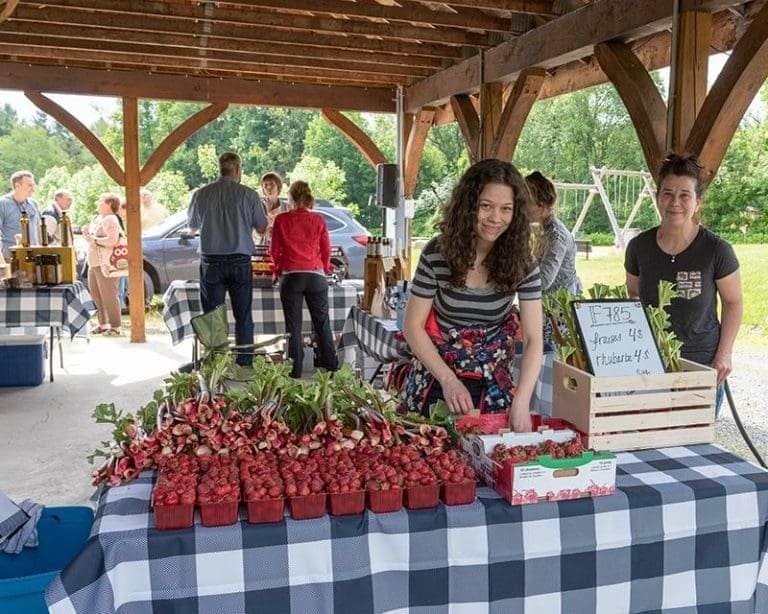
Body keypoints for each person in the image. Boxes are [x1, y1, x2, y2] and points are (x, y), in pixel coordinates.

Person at [402, 159, 543, 431]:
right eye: (486, 206)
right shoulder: (436, 254)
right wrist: (448, 380)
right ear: (469, 206)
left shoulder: (523, 262)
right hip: (436, 376)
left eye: (506, 209)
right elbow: (412, 326)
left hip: (494, 385)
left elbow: (535, 338)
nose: (495, 218)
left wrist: (522, 401)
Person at [625, 153, 743, 416]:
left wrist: (724, 355)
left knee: (695, 442)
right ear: (657, 198)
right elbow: (633, 294)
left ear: (698, 202)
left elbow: (734, 302)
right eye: (667, 194)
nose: (675, 203)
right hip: (651, 363)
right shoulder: (638, 247)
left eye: (685, 195)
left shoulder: (717, 250)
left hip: (701, 363)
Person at [187, 152, 267, 367]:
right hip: (240, 260)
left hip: (211, 260)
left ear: (219, 168)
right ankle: (244, 361)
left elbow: (193, 225)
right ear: (239, 169)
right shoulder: (249, 195)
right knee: (243, 314)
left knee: (213, 316)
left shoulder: (201, 194)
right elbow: (261, 227)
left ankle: (216, 362)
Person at [270, 181, 338, 379]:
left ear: (290, 198)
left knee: (294, 327)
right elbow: (326, 250)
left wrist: (277, 268)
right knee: (322, 323)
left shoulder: (282, 220)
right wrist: (324, 268)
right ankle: (331, 366)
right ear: (309, 197)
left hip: (291, 277)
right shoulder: (318, 220)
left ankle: (295, 369)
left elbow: (275, 251)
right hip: (316, 275)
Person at [525, 171, 582, 347]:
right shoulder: (543, 229)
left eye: (525, 203)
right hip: (548, 307)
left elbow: (544, 281)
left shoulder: (556, 237)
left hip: (560, 311)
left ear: (541, 207)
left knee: (552, 361)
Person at [83, 193, 123, 336]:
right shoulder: (100, 219)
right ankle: (103, 324)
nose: (98, 203)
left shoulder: (111, 219)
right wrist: (88, 236)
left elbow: (113, 240)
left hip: (105, 264)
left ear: (109, 204)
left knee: (109, 295)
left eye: (101, 201)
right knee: (97, 295)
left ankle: (116, 326)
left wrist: (94, 240)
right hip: (94, 263)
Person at [0, 170, 41, 258]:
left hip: (34, 256)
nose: (33, 189)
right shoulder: (2, 204)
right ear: (17, 185)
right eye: (29, 185)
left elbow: (38, 230)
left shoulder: (33, 204)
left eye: (33, 185)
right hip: (11, 258)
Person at [256, 171, 290, 247]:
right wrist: (264, 232)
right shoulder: (258, 206)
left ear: (278, 186)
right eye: (266, 185)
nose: (268, 188)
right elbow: (252, 230)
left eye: (272, 184)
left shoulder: (287, 207)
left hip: (282, 247)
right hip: (262, 248)